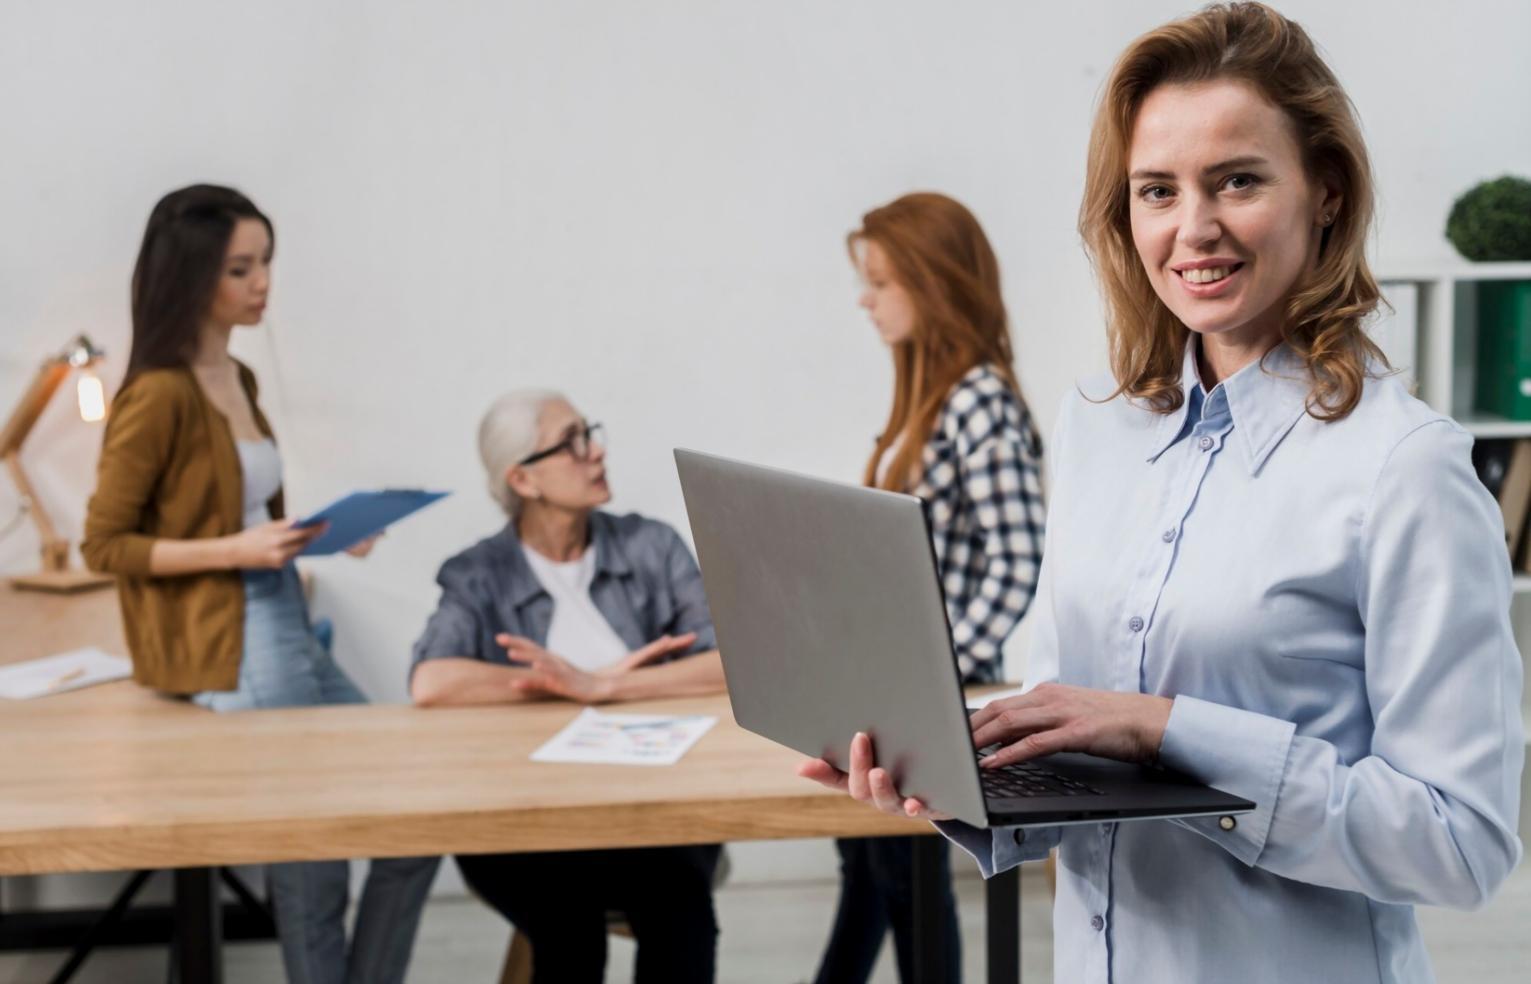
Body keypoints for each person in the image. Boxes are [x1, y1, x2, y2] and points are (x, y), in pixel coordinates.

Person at [800, 4, 1524, 982]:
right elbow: (1059, 731)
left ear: (1324, 191)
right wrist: (948, 775)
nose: (1193, 229)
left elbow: (1460, 844)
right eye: (1156, 190)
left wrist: (1172, 732)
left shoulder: (1403, 469)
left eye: (1237, 180)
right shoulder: (1099, 431)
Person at [82, 184, 438, 984]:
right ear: (191, 276)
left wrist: (318, 536)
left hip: (278, 610)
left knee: (414, 818)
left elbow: (235, 515)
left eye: (265, 262)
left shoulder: (235, 378)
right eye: (239, 268)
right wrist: (235, 551)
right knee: (311, 849)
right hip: (232, 635)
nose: (261, 282)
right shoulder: (156, 395)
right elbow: (106, 545)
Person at [410, 389, 726, 984]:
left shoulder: (650, 547)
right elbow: (432, 680)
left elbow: (731, 663)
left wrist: (603, 686)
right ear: (522, 480)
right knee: (566, 924)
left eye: (591, 433)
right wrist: (565, 684)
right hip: (528, 825)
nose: (596, 451)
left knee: (681, 913)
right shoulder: (479, 573)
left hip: (654, 816)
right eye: (573, 442)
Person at [809, 193, 1045, 984]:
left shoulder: (979, 401)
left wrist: (941, 674)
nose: (864, 300)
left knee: (900, 883)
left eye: (880, 281)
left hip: (937, 695)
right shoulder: (930, 402)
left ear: (934, 282)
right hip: (898, 685)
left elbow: (1019, 559)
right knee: (872, 873)